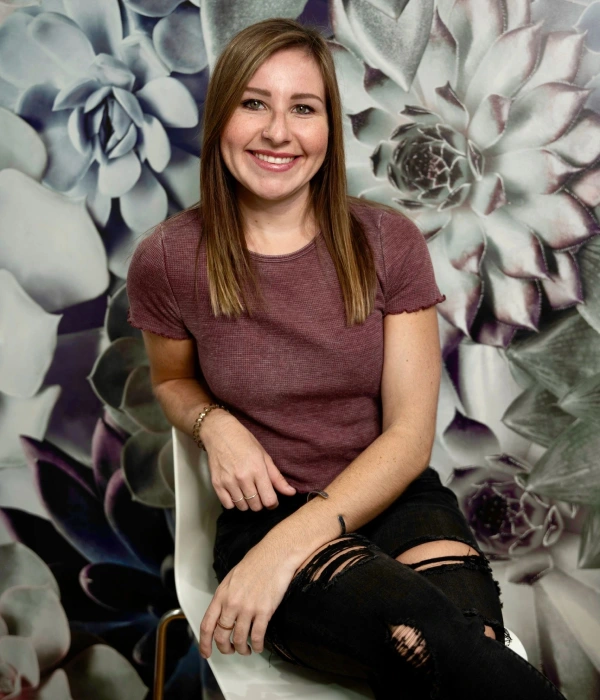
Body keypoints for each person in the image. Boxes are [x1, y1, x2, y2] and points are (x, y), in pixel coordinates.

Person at [127, 17, 566, 700]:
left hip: (394, 498)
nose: (278, 131)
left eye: (303, 108)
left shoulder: (387, 241)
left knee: (467, 648)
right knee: (421, 647)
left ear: (329, 130)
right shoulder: (167, 258)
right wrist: (214, 423)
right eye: (254, 103)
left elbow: (409, 437)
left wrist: (286, 552)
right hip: (264, 513)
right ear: (220, 119)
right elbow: (172, 379)